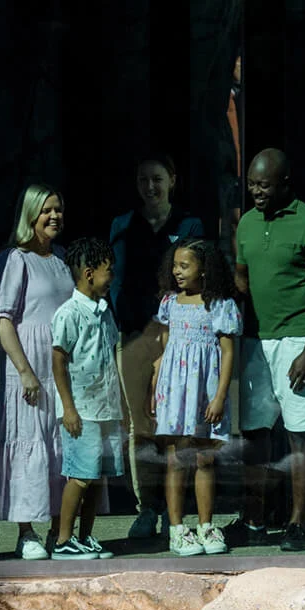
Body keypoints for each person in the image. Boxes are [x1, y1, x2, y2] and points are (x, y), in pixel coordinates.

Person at [232, 148, 305, 552]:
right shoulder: (247, 224)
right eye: (253, 184)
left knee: (299, 435)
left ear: (284, 184)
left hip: (296, 339)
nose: (256, 192)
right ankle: (253, 519)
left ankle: (297, 521)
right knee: (255, 433)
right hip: (258, 339)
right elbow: (241, 278)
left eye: (264, 185)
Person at [108, 155, 205, 540]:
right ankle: (147, 508)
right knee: (140, 427)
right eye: (144, 179)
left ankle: (177, 511)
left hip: (178, 339)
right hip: (133, 336)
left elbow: (195, 280)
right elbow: (113, 282)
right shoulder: (121, 226)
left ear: (173, 181)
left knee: (177, 425)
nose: (151, 186)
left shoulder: (189, 225)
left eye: (158, 179)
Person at [0, 184, 71, 560]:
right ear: (30, 215)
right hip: (28, 364)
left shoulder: (63, 258)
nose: (54, 217)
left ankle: (57, 530)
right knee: (28, 440)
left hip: (61, 365)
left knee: (60, 445)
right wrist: (26, 371)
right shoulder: (15, 260)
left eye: (59, 210)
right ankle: (26, 531)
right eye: (47, 210)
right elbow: (3, 322)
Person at [150, 239, 241, 557]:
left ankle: (205, 526)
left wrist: (219, 396)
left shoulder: (220, 304)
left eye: (184, 265)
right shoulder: (170, 302)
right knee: (177, 459)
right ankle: (176, 529)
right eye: (175, 265)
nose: (177, 271)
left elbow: (228, 353)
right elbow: (165, 347)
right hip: (175, 392)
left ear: (205, 269)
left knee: (205, 458)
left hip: (206, 392)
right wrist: (156, 384)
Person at [48, 237, 124, 560]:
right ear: (90, 273)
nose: (113, 278)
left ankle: (85, 536)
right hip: (82, 411)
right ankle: (64, 540)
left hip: (106, 408)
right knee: (79, 476)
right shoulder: (69, 313)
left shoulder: (105, 312)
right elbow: (58, 360)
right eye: (109, 272)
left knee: (97, 479)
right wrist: (68, 408)